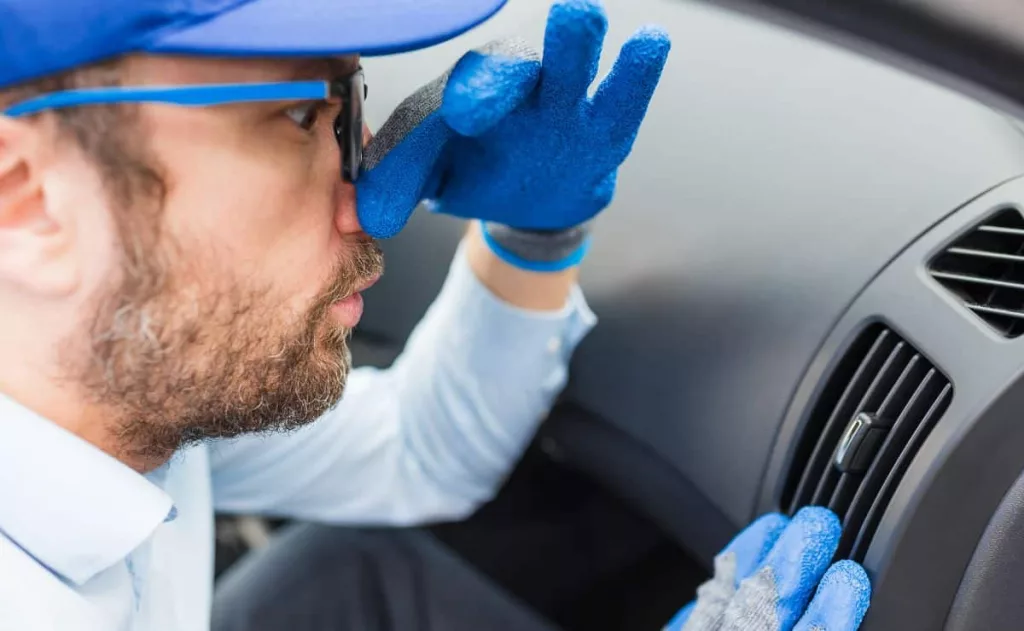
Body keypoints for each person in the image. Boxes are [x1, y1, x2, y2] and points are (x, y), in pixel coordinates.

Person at [0, 0, 870, 629]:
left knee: (356, 572)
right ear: (26, 199)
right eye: (300, 116)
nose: (368, 202)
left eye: (350, 114)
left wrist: (535, 236)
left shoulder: (127, 391)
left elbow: (419, 451)